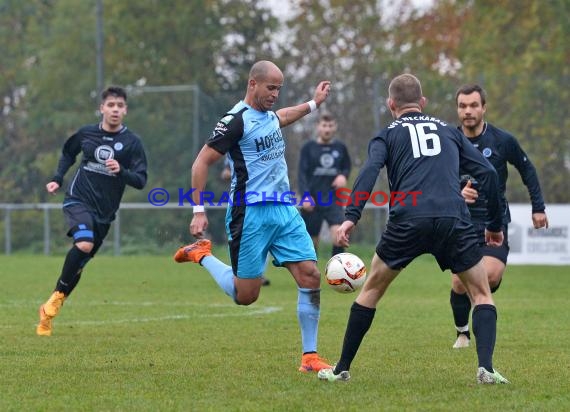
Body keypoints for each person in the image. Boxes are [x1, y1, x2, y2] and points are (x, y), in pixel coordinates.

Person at [318, 73, 510, 384]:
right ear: (422, 103)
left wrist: (351, 215)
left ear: (390, 104)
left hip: (408, 218)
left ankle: (341, 369)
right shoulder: (449, 131)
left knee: (371, 291)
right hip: (453, 218)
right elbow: (487, 172)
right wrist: (494, 225)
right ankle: (486, 368)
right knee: (481, 293)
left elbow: (369, 171)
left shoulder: (386, 135)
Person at [174, 60, 332, 373]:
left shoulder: (268, 115)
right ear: (253, 84)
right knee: (246, 296)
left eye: (279, 89)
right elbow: (201, 163)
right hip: (250, 215)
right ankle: (202, 254)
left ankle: (310, 357)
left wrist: (314, 103)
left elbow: (281, 117)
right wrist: (198, 209)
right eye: (270, 88)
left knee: (311, 276)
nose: (275, 94)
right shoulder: (235, 120)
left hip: (285, 210)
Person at [36, 86, 148, 336]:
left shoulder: (132, 143)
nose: (115, 109)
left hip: (105, 214)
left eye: (120, 105)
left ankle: (50, 306)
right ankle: (55, 300)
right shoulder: (86, 134)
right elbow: (68, 153)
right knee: (84, 244)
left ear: (126, 110)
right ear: (102, 109)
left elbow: (141, 180)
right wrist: (58, 177)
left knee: (80, 264)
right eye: (111, 105)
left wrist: (121, 170)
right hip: (78, 199)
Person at [449, 84, 548, 349]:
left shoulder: (503, 140)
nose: (468, 111)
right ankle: (462, 332)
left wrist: (538, 208)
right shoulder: (449, 141)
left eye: (473, 105)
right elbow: (436, 180)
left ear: (484, 108)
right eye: (462, 106)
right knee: (459, 282)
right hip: (461, 220)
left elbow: (528, 171)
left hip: (494, 220)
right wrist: (458, 193)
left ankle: (480, 305)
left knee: (489, 276)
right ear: (457, 109)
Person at [298, 112, 351, 257]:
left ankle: (337, 275)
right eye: (324, 125)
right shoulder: (308, 148)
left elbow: (347, 166)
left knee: (339, 237)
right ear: (318, 127)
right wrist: (306, 196)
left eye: (330, 125)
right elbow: (301, 174)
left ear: (335, 127)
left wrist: (343, 175)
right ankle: (309, 277)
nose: (327, 129)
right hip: (313, 200)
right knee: (311, 243)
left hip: (333, 199)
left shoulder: (341, 147)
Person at [220, 156, 270, 286]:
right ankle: (237, 272)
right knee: (239, 238)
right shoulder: (235, 148)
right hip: (242, 201)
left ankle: (259, 274)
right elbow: (225, 173)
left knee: (263, 238)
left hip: (264, 199)